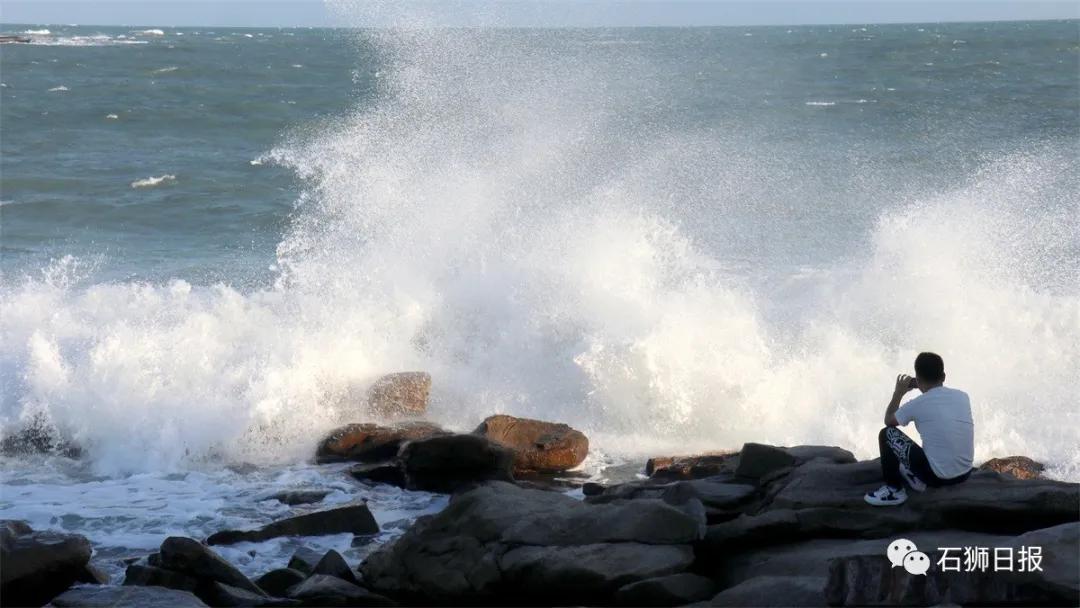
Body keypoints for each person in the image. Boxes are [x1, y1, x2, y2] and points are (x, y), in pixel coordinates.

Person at [864, 352, 974, 506]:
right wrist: (922, 385)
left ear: (918, 380)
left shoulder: (918, 403)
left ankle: (894, 490)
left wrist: (899, 393)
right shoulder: (963, 396)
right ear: (943, 376)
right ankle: (915, 477)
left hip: (936, 478)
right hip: (965, 473)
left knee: (886, 433)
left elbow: (889, 420)